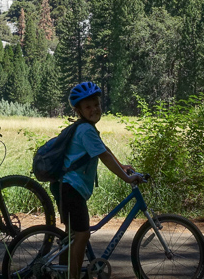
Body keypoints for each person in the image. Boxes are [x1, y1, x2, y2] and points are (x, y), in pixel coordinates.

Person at [59, 81, 145, 279]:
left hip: (69, 187)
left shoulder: (86, 128)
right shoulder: (85, 130)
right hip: (72, 189)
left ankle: (62, 273)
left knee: (73, 235)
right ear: (79, 110)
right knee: (82, 234)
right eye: (88, 107)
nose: (94, 109)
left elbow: (104, 149)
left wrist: (122, 166)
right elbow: (104, 157)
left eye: (96, 105)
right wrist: (127, 178)